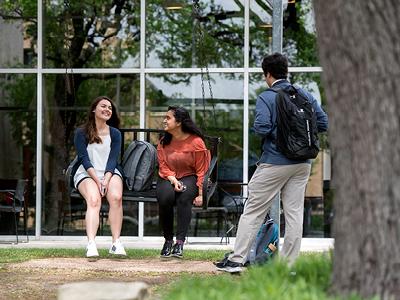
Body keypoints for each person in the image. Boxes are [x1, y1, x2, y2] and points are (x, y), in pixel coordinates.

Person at [215, 53, 328, 272]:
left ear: (267, 74)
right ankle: (288, 266)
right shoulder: (305, 95)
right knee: (294, 213)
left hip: (274, 162)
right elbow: (323, 123)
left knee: (253, 209)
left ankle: (237, 260)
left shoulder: (267, 97)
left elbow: (262, 128)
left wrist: (278, 135)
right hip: (303, 162)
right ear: (286, 71)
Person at [73, 96, 126, 258]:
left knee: (116, 197)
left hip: (110, 172)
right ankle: (91, 243)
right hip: (86, 173)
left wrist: (106, 179)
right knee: (94, 200)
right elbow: (84, 159)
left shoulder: (115, 133)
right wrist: (97, 181)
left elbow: (112, 159)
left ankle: (116, 243)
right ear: (94, 109)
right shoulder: (81, 132)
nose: (107, 110)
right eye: (103, 106)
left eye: (110, 108)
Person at [157, 106, 211, 259]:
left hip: (190, 175)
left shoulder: (196, 142)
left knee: (184, 198)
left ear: (179, 122)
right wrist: (173, 179)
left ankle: (179, 242)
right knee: (165, 198)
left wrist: (201, 193)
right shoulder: (164, 141)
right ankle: (168, 240)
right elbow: (163, 165)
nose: (164, 121)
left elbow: (202, 170)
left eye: (168, 118)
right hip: (168, 176)